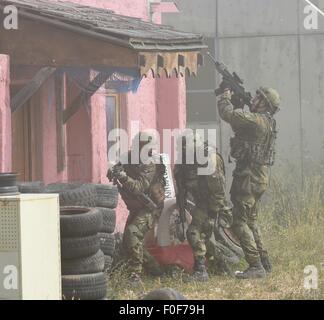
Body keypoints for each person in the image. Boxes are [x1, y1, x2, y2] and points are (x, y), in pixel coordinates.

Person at [218, 86, 280, 279]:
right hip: (258, 177)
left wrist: (225, 98)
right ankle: (264, 261)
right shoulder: (267, 122)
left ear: (264, 104)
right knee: (251, 221)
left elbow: (228, 115)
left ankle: (255, 266)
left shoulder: (256, 120)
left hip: (248, 178)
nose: (253, 99)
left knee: (239, 222)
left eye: (258, 97)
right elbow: (241, 126)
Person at [107, 131, 166, 286]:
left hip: (149, 208)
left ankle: (135, 276)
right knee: (129, 241)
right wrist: (113, 171)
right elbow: (118, 166)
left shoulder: (150, 164)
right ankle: (155, 270)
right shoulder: (129, 157)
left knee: (132, 233)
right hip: (137, 208)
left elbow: (139, 187)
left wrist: (123, 176)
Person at [174, 132, 232, 282]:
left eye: (186, 146)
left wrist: (215, 212)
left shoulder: (208, 157)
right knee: (205, 236)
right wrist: (181, 214)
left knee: (194, 232)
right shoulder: (184, 162)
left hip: (214, 203)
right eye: (182, 147)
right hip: (201, 202)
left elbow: (218, 189)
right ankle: (220, 265)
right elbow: (181, 190)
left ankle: (201, 271)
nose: (184, 149)